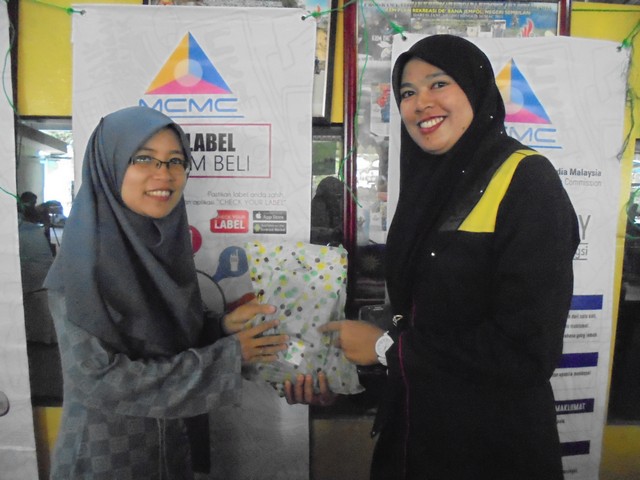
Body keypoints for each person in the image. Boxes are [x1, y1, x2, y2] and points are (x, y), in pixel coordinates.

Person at [305, 35, 580, 479]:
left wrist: (385, 350)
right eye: (407, 92)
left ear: (474, 88)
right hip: (414, 436)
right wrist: (343, 376)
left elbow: (527, 352)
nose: (420, 103)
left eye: (438, 84)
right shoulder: (427, 187)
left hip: (491, 449)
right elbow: (420, 317)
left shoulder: (527, 182)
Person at [43, 106, 288, 479]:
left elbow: (168, 338)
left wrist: (222, 327)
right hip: (106, 460)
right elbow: (99, 380)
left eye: (176, 161)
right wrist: (228, 357)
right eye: (143, 158)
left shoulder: (163, 251)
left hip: (173, 451)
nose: (164, 174)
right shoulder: (80, 269)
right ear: (109, 166)